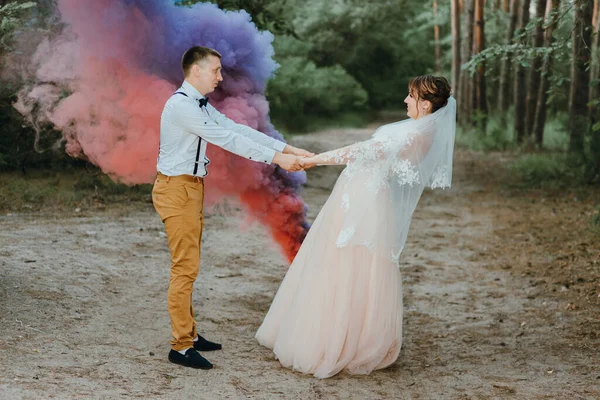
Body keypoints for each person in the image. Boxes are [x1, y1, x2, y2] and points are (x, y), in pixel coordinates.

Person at [255, 75, 455, 378]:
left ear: (426, 105)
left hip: (367, 206)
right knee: (338, 262)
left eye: (411, 96)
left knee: (350, 265)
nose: (405, 100)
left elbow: (362, 151)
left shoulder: (415, 136)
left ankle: (344, 343)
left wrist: (314, 160)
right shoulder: (413, 130)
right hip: (357, 199)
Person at [152, 46, 313, 370]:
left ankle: (191, 335)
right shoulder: (182, 106)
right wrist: (280, 160)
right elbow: (226, 139)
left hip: (189, 188)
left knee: (190, 265)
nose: (220, 77)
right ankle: (181, 347)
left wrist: (286, 147)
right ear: (196, 71)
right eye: (215, 71)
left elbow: (236, 129)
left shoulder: (198, 104)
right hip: (176, 190)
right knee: (185, 268)